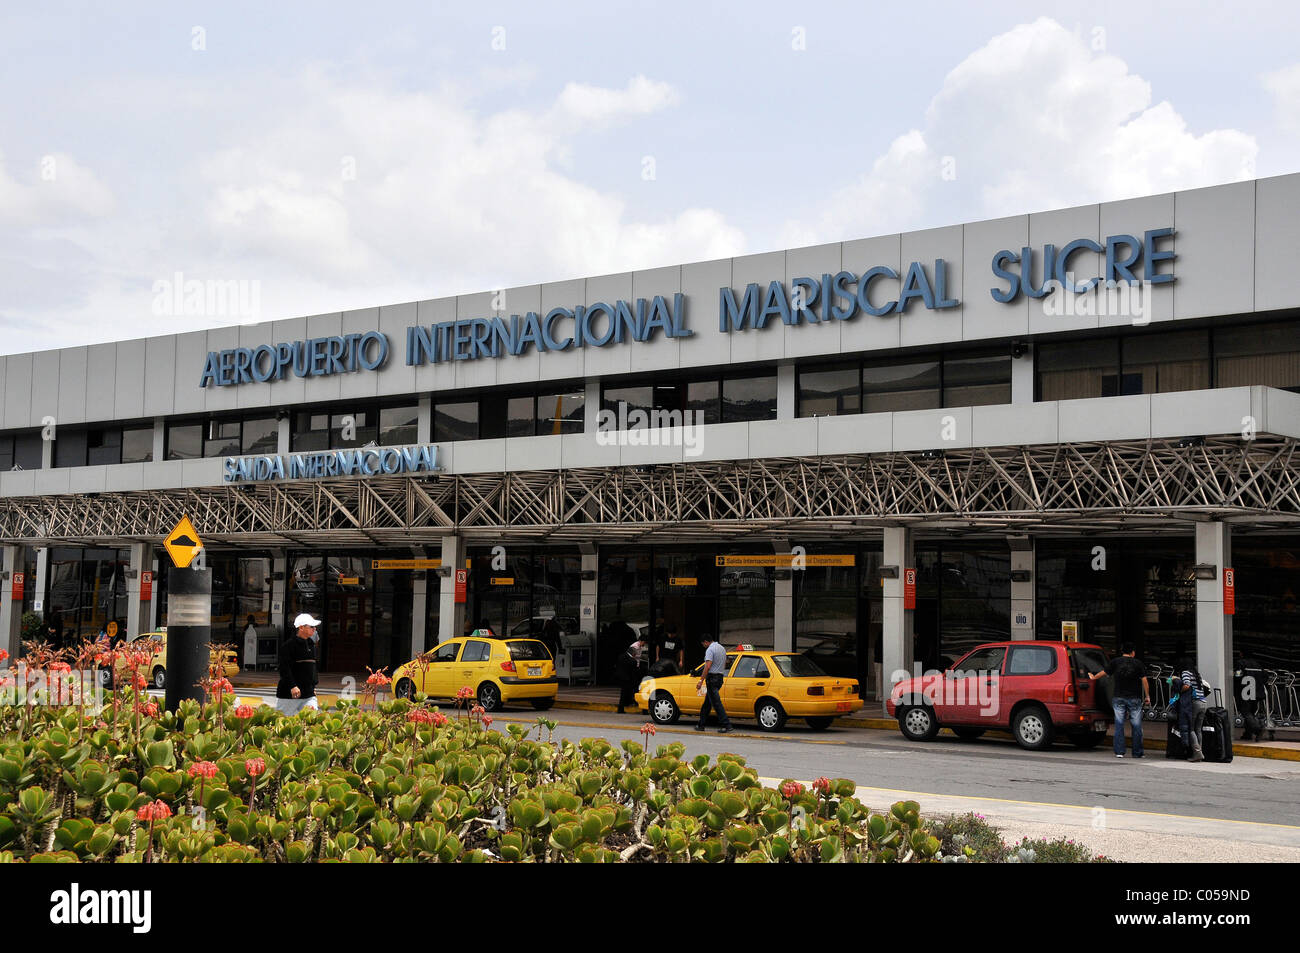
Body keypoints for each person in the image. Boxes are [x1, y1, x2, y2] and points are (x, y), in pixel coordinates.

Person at [1089, 642, 1150, 759]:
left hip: (1118, 697)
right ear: (1133, 652)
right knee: (1136, 725)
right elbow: (1145, 681)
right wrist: (1147, 696)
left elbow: (1104, 672)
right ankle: (1137, 752)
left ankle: (1119, 752)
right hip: (1134, 698)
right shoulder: (1138, 663)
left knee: (1119, 724)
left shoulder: (1115, 662)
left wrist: (1094, 677)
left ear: (1123, 651)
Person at [276, 614, 320, 714]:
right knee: (284, 722)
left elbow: (312, 668)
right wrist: (292, 686)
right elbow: (284, 668)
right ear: (301, 627)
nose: (314, 629)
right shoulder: (288, 646)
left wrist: (313, 687)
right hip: (289, 694)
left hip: (309, 694)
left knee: (311, 720)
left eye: (315, 627)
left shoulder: (311, 645)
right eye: (311, 626)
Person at [695, 633, 732, 733]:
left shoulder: (710, 650)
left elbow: (707, 666)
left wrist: (700, 680)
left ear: (706, 642)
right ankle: (701, 724)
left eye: (703, 644)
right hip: (719, 677)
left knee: (716, 703)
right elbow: (725, 663)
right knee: (707, 703)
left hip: (712, 678)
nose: (703, 646)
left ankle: (726, 725)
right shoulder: (721, 648)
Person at [1176, 661, 1209, 762]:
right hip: (1203, 703)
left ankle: (1197, 753)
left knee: (1191, 729)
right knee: (1198, 729)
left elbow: (1187, 685)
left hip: (1194, 703)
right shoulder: (1196, 674)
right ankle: (1199, 752)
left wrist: (1179, 692)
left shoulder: (1186, 673)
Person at [616, 637, 647, 714]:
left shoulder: (621, 656)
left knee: (623, 694)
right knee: (637, 692)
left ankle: (621, 709)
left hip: (622, 678)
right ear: (633, 653)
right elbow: (634, 671)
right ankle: (644, 710)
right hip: (630, 679)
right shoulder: (633, 661)